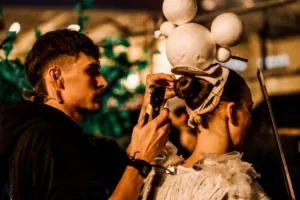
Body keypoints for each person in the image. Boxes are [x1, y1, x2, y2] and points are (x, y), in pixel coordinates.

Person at [0, 29, 176, 200]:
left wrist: (152, 104)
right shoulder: (53, 138)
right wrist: (140, 163)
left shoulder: (39, 133)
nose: (103, 82)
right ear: (56, 77)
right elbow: (134, 163)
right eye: (90, 71)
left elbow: (123, 166)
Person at [141, 64, 270, 200]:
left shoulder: (156, 178)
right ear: (231, 112)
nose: (250, 117)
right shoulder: (236, 189)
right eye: (248, 108)